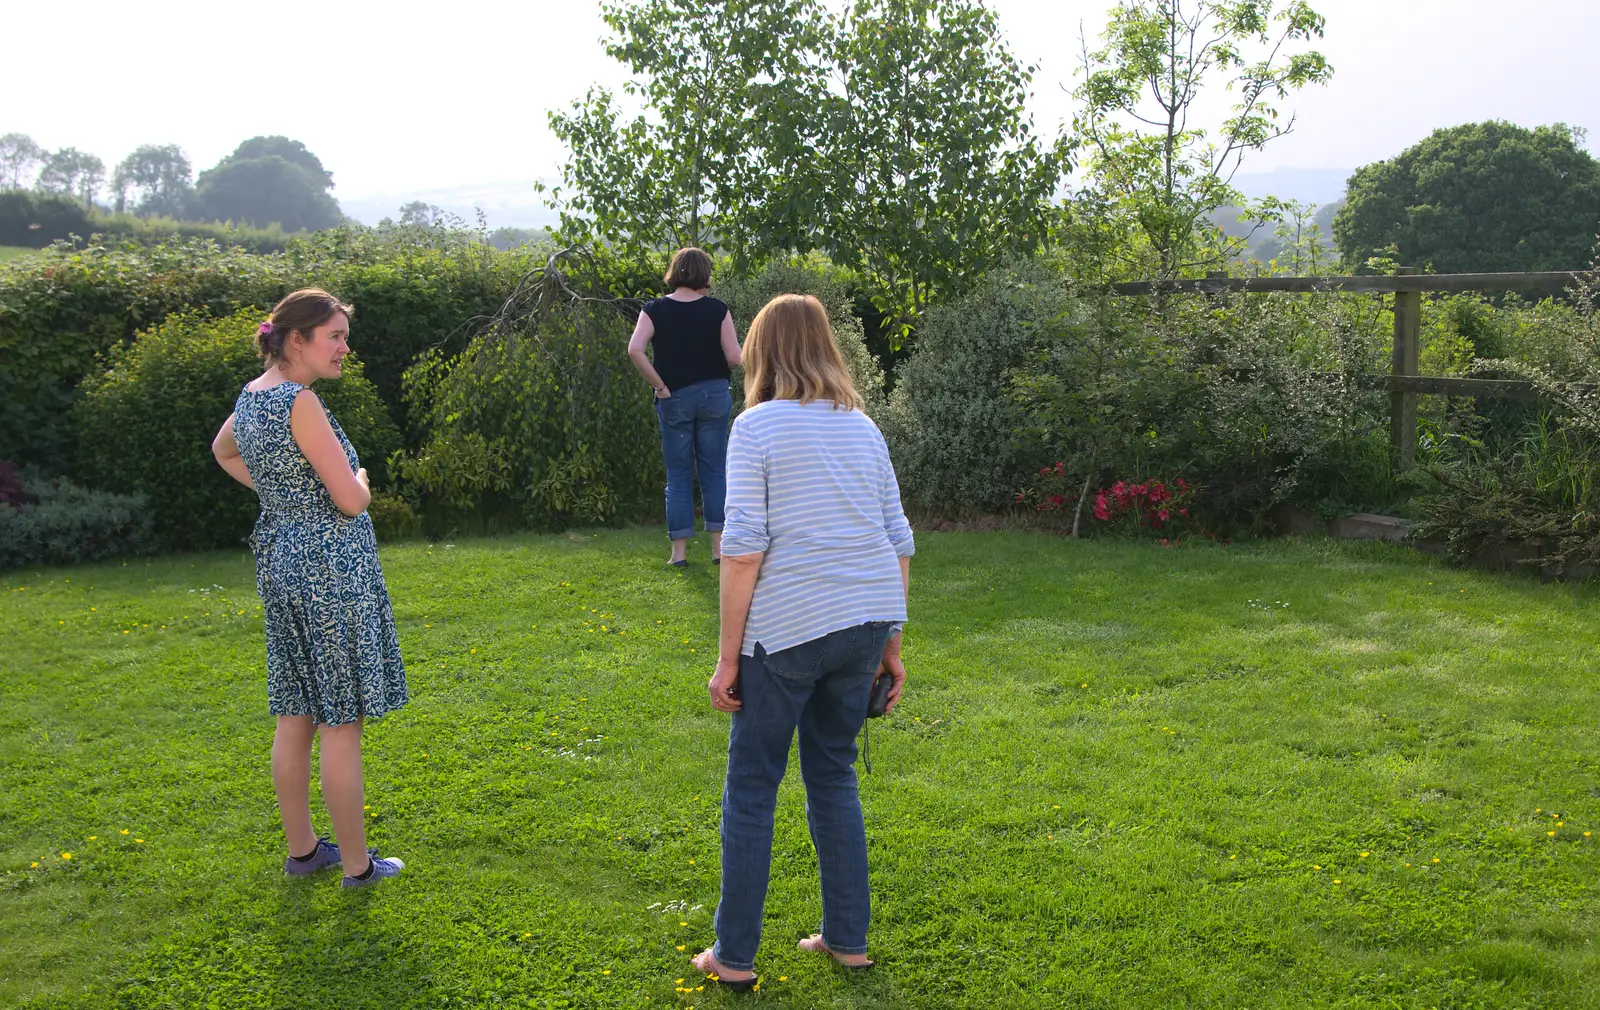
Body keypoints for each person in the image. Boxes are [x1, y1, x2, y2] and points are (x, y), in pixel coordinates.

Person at [693, 293, 914, 988]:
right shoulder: (864, 427)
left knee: (753, 788)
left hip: (788, 632)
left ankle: (733, 958)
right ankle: (848, 941)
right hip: (865, 623)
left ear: (760, 351)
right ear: (825, 348)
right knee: (834, 776)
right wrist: (892, 644)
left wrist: (729, 658)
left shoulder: (756, 427)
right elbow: (899, 540)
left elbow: (742, 551)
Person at [211, 288, 408, 889]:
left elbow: (222, 452)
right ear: (297, 340)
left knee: (296, 710)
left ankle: (303, 852)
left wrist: (283, 498)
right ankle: (357, 866)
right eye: (336, 337)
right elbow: (350, 499)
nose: (346, 348)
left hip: (282, 563)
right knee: (341, 722)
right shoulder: (300, 402)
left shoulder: (253, 396)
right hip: (329, 568)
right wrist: (363, 480)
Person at [627, 247, 743, 567]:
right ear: (704, 273)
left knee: (678, 476)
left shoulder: (654, 309)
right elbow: (734, 358)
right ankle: (719, 549)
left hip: (673, 397)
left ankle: (678, 554)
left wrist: (660, 386)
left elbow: (635, 350)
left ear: (674, 271)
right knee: (714, 472)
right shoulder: (718, 309)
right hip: (714, 396)